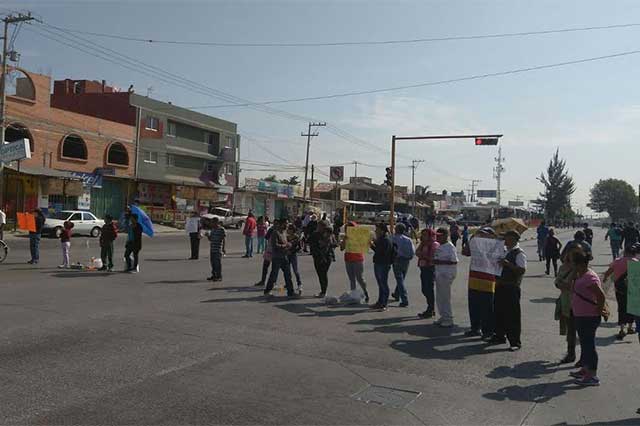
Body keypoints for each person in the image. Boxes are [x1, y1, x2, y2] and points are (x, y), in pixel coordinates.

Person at [570, 251, 607, 386]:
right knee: (585, 344)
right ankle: (585, 369)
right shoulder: (581, 275)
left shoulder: (589, 277)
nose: (571, 265)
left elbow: (601, 295)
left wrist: (598, 310)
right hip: (581, 315)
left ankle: (592, 376)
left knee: (589, 345)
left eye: (573, 263)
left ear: (579, 264)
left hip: (588, 317)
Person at [488, 230, 527, 351]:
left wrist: (508, 264)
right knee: (498, 312)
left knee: (512, 315)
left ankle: (515, 342)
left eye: (508, 238)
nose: (506, 241)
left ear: (514, 239)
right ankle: (499, 335)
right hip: (500, 285)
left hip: (511, 287)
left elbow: (521, 271)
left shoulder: (519, 253)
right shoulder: (504, 251)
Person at [463, 227, 498, 339]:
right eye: (481, 234)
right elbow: (465, 252)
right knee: (473, 305)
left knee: (487, 307)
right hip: (474, 278)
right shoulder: (476, 245)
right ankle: (475, 328)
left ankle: (488, 331)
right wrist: (472, 239)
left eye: (485, 234)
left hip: (489, 279)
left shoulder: (496, 245)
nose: (482, 236)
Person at [603, 245, 638, 340]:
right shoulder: (636, 262)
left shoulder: (618, 261)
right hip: (633, 289)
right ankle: (630, 328)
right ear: (633, 253)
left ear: (625, 252)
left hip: (620, 289)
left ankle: (622, 329)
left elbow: (609, 271)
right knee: (632, 308)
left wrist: (605, 278)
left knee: (622, 307)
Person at [264, 220, 297, 297]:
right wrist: (285, 246)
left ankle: (290, 292)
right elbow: (275, 245)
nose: (287, 225)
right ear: (281, 224)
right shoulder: (275, 233)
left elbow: (287, 241)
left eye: (287, 223)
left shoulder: (284, 232)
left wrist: (291, 243)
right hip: (277, 257)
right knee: (274, 275)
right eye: (285, 224)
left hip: (284, 256)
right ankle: (267, 291)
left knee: (288, 274)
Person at [433, 227, 458, 327]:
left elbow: (454, 261)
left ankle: (448, 318)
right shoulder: (440, 246)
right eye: (436, 236)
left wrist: (440, 262)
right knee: (439, 297)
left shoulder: (450, 246)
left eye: (439, 236)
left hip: (446, 274)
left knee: (445, 297)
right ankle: (443, 316)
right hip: (439, 273)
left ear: (445, 236)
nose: (437, 238)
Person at [340, 221, 370, 302]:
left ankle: (365, 292)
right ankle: (354, 296)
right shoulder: (346, 237)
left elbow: (366, 244)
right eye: (346, 229)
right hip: (348, 259)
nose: (347, 230)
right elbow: (341, 248)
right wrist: (344, 240)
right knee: (352, 279)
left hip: (358, 259)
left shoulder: (359, 236)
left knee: (360, 278)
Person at [370, 223, 395, 311]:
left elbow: (380, 252)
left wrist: (371, 245)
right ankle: (380, 302)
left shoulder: (386, 240)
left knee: (383, 284)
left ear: (382, 230)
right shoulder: (380, 239)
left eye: (377, 229)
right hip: (378, 263)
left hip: (383, 264)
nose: (376, 231)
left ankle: (384, 303)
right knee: (380, 284)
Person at [308, 220, 337, 298]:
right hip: (318, 257)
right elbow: (311, 243)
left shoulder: (330, 235)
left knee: (323, 274)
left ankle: (323, 292)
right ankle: (323, 291)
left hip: (327, 257)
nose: (319, 228)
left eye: (321, 226)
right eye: (319, 226)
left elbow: (335, 244)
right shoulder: (315, 234)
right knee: (320, 274)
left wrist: (328, 242)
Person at [391, 223, 415, 307]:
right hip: (406, 260)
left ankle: (404, 299)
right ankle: (397, 294)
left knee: (399, 279)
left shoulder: (393, 238)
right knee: (401, 278)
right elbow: (412, 252)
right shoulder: (408, 240)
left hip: (397, 260)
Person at [416, 228, 439, 319]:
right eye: (423, 234)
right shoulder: (423, 244)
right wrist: (423, 255)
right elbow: (417, 252)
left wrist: (423, 255)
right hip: (423, 267)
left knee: (429, 289)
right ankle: (430, 308)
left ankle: (431, 309)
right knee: (424, 289)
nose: (423, 236)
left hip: (430, 268)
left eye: (425, 235)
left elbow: (433, 257)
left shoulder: (434, 244)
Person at [254, 222, 276, 287]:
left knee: (268, 267)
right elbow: (266, 237)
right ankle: (270, 282)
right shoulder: (279, 230)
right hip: (273, 251)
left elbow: (266, 237)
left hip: (271, 250)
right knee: (272, 268)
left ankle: (265, 281)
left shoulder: (272, 229)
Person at [207, 217, 226, 282]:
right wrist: (208, 236)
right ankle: (214, 275)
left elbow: (224, 239)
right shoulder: (212, 230)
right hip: (212, 249)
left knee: (217, 263)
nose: (211, 223)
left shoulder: (221, 229)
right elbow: (210, 239)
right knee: (213, 263)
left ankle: (219, 276)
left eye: (212, 222)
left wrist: (223, 249)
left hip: (218, 249)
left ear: (216, 222)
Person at [286, 224, 303, 294]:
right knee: (287, 270)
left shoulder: (296, 237)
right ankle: (288, 284)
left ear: (293, 230)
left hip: (293, 255)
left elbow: (299, 247)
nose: (289, 231)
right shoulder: (286, 237)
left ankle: (299, 284)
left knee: (295, 270)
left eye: (290, 229)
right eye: (288, 229)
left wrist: (292, 251)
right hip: (287, 255)